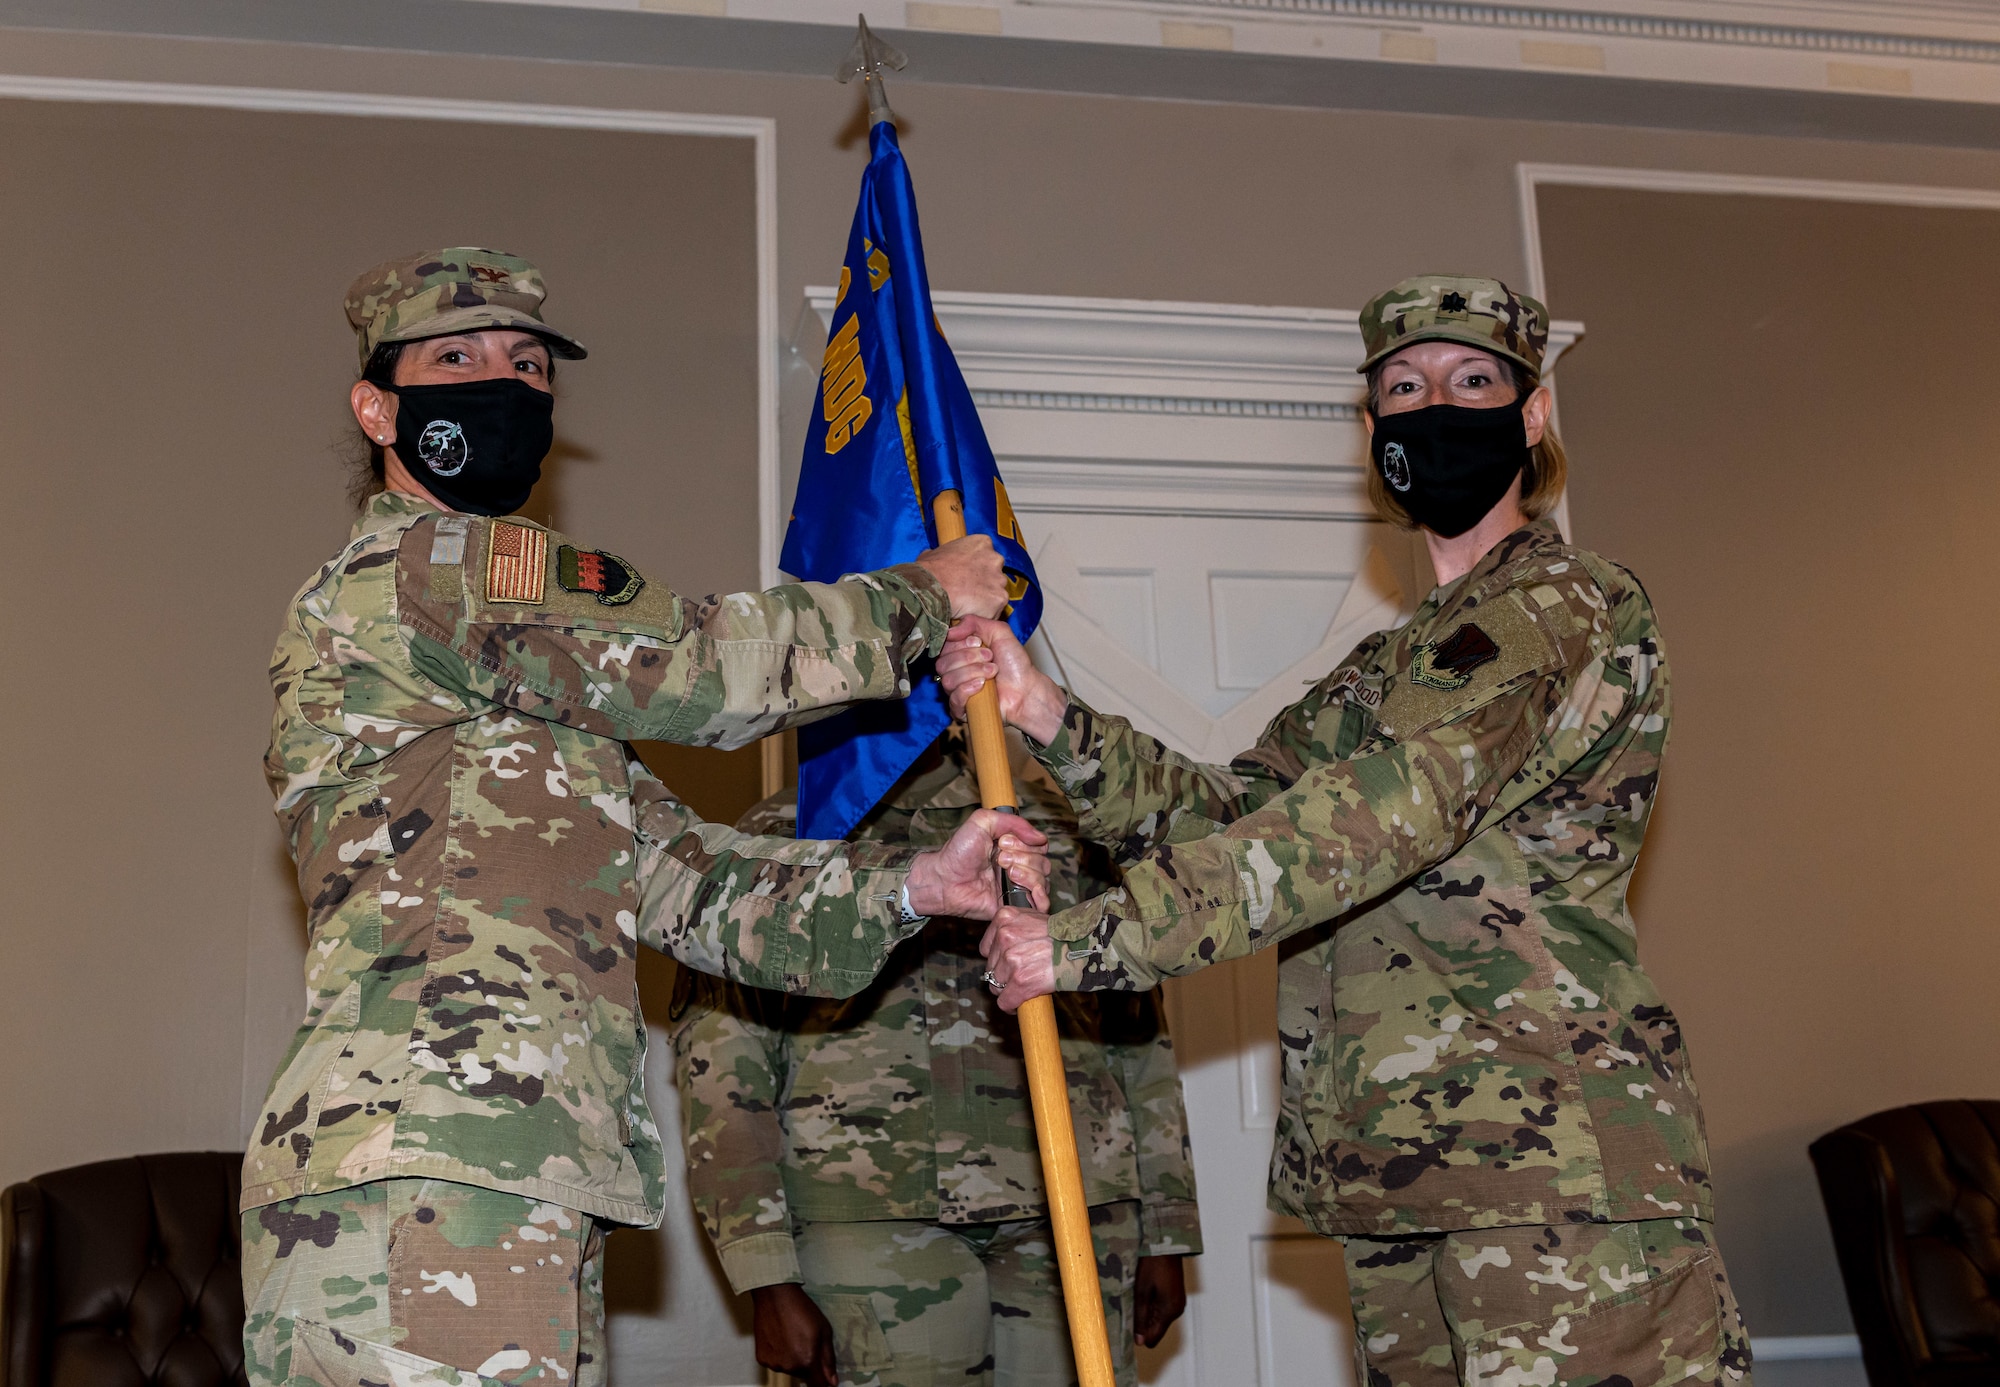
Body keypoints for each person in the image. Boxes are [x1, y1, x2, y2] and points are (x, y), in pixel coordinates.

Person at [242, 248, 1051, 1387]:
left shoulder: (534, 695)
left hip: (520, 1167)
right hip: (420, 1162)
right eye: (457, 356)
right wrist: (924, 593)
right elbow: (699, 665)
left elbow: (698, 887)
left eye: (528, 364)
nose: (503, 382)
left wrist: (915, 887)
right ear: (377, 407)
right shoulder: (423, 574)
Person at [943, 275, 1754, 1387]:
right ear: (1371, 429)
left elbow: (1387, 811)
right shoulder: (1385, 664)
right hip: (1397, 1177)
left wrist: (1090, 941)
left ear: (1532, 417)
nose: (1434, 405)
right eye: (1402, 387)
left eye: (1472, 382)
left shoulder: (1561, 601)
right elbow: (1228, 813)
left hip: (1557, 1183)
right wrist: (1042, 710)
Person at [672, 730, 1201, 1387]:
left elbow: (1137, 1027)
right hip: (868, 1218)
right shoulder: (782, 838)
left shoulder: (1057, 832)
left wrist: (1168, 1228)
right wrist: (763, 1268)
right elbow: (725, 1064)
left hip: (1072, 1205)